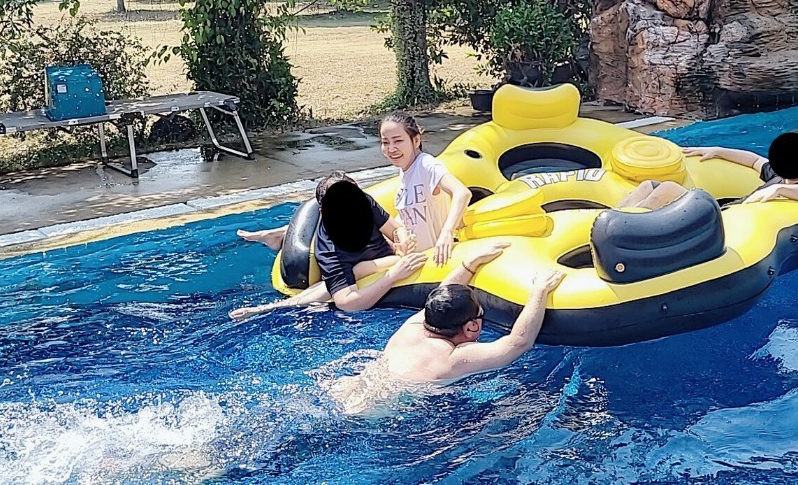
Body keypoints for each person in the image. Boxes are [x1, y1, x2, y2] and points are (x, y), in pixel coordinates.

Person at [229, 171, 427, 320]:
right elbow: (347, 303)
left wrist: (403, 240)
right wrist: (392, 275)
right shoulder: (330, 251)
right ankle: (265, 307)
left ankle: (278, 234)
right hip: (354, 268)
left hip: (380, 257)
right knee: (354, 272)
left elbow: (395, 228)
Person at [376, 241, 566, 384]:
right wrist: (540, 291)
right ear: (471, 327)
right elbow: (518, 342)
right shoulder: (452, 359)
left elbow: (442, 296)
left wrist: (470, 264)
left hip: (367, 388)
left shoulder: (413, 327)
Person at [617, 130, 798, 209]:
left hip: (723, 221)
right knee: (648, 186)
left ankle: (626, 226)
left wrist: (780, 190)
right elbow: (753, 160)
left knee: (669, 189)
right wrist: (717, 151)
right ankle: (611, 218)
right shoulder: (779, 174)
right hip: (723, 208)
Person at [379, 112, 473, 266]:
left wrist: (447, 233)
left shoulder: (426, 165)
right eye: (385, 142)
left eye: (398, 141)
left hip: (439, 260)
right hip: (421, 263)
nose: (391, 149)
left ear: (416, 140)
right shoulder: (405, 171)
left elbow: (462, 193)